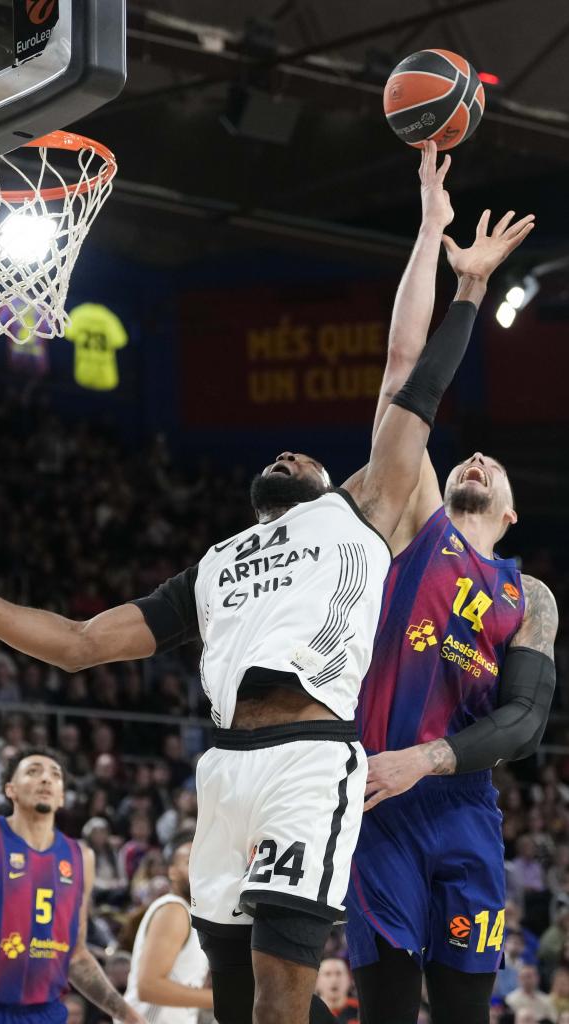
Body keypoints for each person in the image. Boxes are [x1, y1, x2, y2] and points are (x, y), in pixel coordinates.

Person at [0, 206, 508, 1024]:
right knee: (236, 996)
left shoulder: (359, 513)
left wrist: (462, 279)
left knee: (285, 987)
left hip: (308, 759)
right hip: (222, 771)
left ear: (331, 482)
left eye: (301, 454)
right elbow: (79, 644)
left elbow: (406, 375)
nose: (285, 452)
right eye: (275, 455)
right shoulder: (215, 566)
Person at [344, 144, 556, 1024]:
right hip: (377, 803)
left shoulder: (528, 595)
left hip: (459, 802)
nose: (472, 459)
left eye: (491, 465)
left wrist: (428, 756)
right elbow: (403, 375)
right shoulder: (413, 522)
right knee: (389, 1011)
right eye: (467, 456)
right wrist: (436, 239)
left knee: (467, 1013)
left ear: (508, 514)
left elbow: (523, 722)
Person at [0, 748, 145, 1024]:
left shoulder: (82, 857)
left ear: (62, 796)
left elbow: (76, 956)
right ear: (11, 790)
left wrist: (126, 1014)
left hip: (45, 1014)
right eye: (33, 772)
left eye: (54, 775)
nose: (46, 779)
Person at [122, 834, 212, 1023]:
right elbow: (149, 987)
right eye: (189, 861)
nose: (198, 868)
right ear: (172, 871)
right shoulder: (174, 910)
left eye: (204, 860)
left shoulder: (191, 914)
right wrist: (220, 1000)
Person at [315, 958, 359, 1022]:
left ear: (349, 979)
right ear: (316, 981)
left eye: (339, 973)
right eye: (327, 974)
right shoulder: (306, 1013)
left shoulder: (362, 1010)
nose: (334, 980)